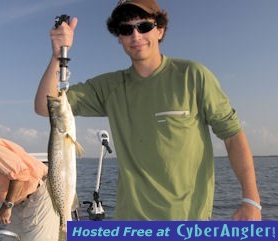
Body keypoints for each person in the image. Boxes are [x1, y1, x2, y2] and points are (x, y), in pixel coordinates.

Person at [34, 0, 261, 220]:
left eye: (144, 26)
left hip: (187, 224)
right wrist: (57, 56)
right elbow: (46, 107)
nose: (135, 36)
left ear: (160, 30)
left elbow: (232, 136)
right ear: (119, 38)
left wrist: (251, 200)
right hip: (129, 225)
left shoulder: (193, 76)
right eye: (126, 29)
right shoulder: (109, 87)